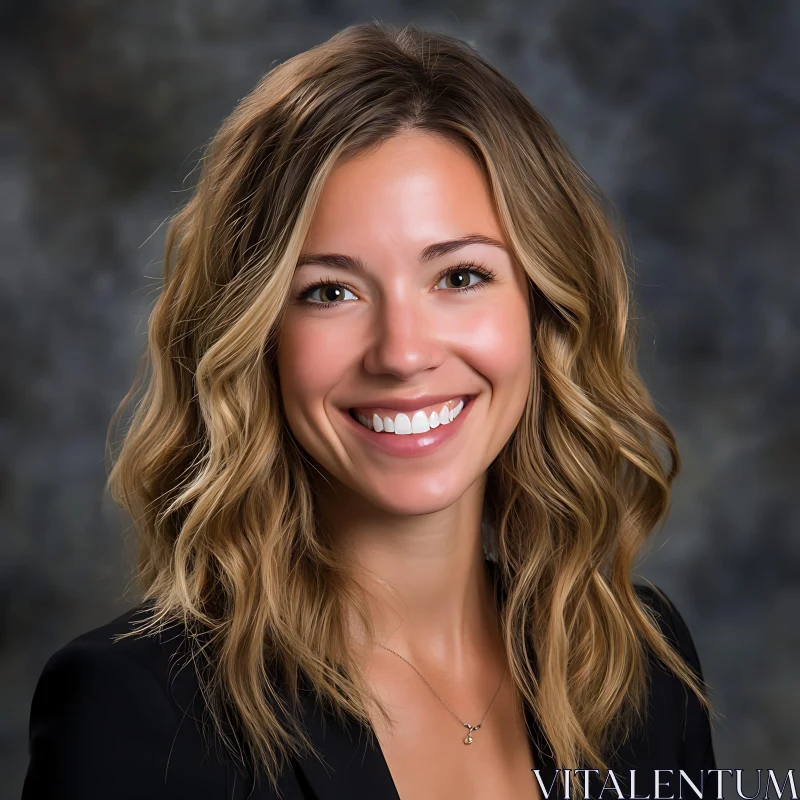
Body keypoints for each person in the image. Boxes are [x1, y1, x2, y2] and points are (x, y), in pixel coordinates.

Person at [22, 20, 718, 800]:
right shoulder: (134, 715)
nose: (402, 352)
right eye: (330, 291)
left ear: (542, 306)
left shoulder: (643, 668)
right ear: (257, 339)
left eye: (458, 277)